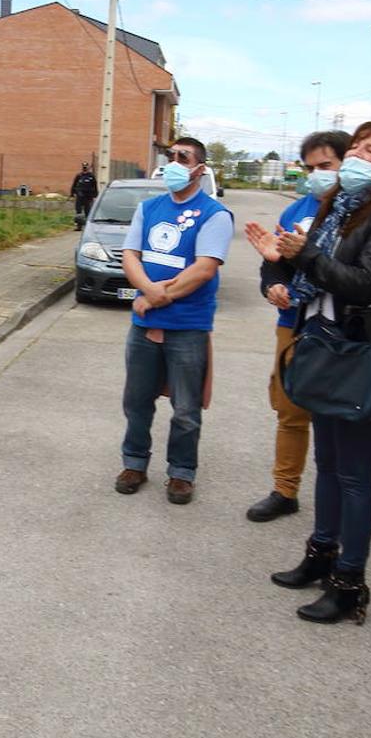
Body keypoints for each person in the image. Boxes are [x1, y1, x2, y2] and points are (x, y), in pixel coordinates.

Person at [246, 122, 371, 624]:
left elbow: (370, 284)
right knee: (326, 464)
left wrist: (307, 256)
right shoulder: (335, 209)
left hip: (367, 360)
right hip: (325, 349)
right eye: (356, 148)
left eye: (369, 150)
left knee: (356, 475)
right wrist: (275, 273)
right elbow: (295, 267)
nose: (356, 156)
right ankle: (320, 555)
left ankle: (349, 582)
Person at [113, 136, 234, 505]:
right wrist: (149, 290)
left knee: (186, 408)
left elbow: (204, 268)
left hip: (188, 327)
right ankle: (134, 462)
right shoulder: (149, 208)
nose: (173, 164)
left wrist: (157, 297)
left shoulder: (215, 214)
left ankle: (181, 472)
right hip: (143, 326)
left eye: (183, 158)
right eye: (170, 156)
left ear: (199, 169)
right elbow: (130, 255)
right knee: (136, 400)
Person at [246, 130, 349, 523]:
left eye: (326, 166)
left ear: (347, 164)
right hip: (293, 324)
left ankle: (337, 494)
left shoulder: (359, 213)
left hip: (339, 329)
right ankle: (284, 490)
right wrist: (272, 284)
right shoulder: (294, 211)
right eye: (310, 168)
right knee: (290, 411)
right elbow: (273, 260)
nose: (316, 175)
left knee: (336, 417)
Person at [71, 161, 99, 230]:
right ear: (82, 168)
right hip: (80, 196)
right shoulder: (79, 176)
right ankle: (79, 226)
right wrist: (72, 193)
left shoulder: (91, 176)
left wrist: (95, 194)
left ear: (88, 168)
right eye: (84, 167)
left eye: (86, 167)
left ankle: (87, 226)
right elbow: (74, 185)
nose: (85, 169)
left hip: (88, 197)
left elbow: (95, 186)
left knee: (88, 211)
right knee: (78, 211)